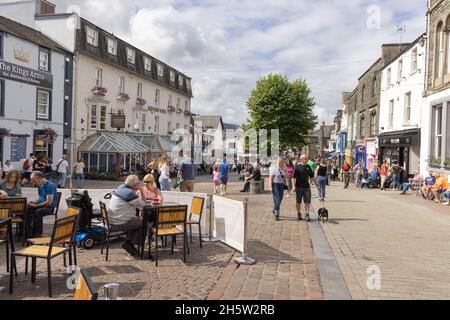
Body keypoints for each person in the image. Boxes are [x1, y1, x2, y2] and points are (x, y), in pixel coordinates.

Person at [108, 175, 146, 256]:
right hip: (118, 223)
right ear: (135, 185)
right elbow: (144, 205)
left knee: (136, 219)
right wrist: (142, 190)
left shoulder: (121, 187)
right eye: (138, 184)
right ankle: (130, 244)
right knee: (143, 223)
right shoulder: (130, 194)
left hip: (111, 220)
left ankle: (129, 243)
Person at [27, 171, 58, 237]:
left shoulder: (49, 185)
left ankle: (38, 233)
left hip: (49, 207)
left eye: (34, 181)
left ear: (40, 178)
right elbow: (41, 198)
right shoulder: (40, 186)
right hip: (43, 205)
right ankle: (27, 231)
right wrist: (34, 202)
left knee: (38, 212)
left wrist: (36, 205)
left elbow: (49, 202)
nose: (33, 183)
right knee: (27, 209)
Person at [292, 154, 315, 222]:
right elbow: (293, 178)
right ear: (302, 159)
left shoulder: (308, 167)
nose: (307, 160)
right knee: (298, 202)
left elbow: (312, 176)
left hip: (307, 187)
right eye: (306, 159)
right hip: (299, 187)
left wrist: (317, 185)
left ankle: (307, 214)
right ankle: (299, 213)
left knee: (307, 201)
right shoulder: (297, 167)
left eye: (307, 158)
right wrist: (293, 186)